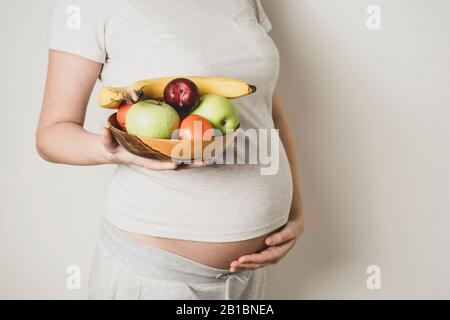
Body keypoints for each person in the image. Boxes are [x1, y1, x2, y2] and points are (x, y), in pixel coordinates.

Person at [36, 0, 304, 300]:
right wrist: (116, 152)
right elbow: (52, 133)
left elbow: (266, 107)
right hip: (157, 278)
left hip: (248, 276)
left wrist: (294, 211)